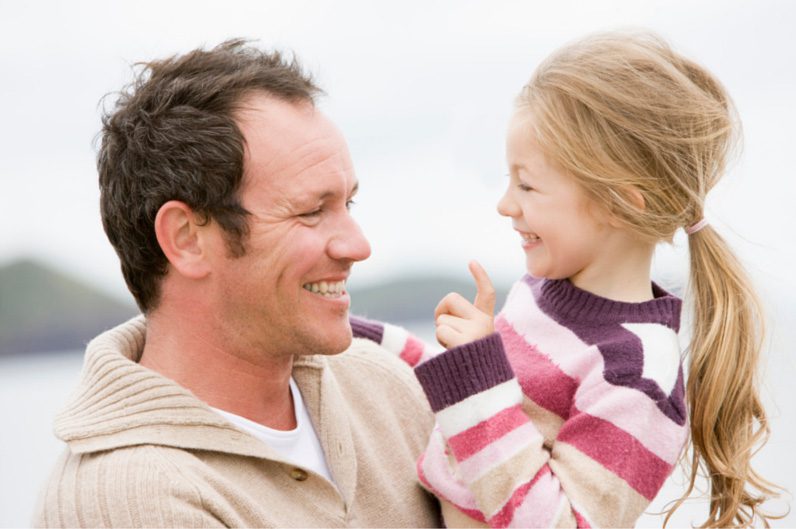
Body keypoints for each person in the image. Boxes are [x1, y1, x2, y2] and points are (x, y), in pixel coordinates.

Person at [353, 31, 782, 528]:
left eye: (528, 184)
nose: (505, 204)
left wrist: (477, 372)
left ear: (619, 203)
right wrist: (367, 338)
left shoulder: (636, 377)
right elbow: (482, 414)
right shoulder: (542, 295)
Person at [33, 40, 440, 528]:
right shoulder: (127, 498)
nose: (357, 245)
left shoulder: (387, 385)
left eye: (346, 205)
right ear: (186, 239)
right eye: (312, 211)